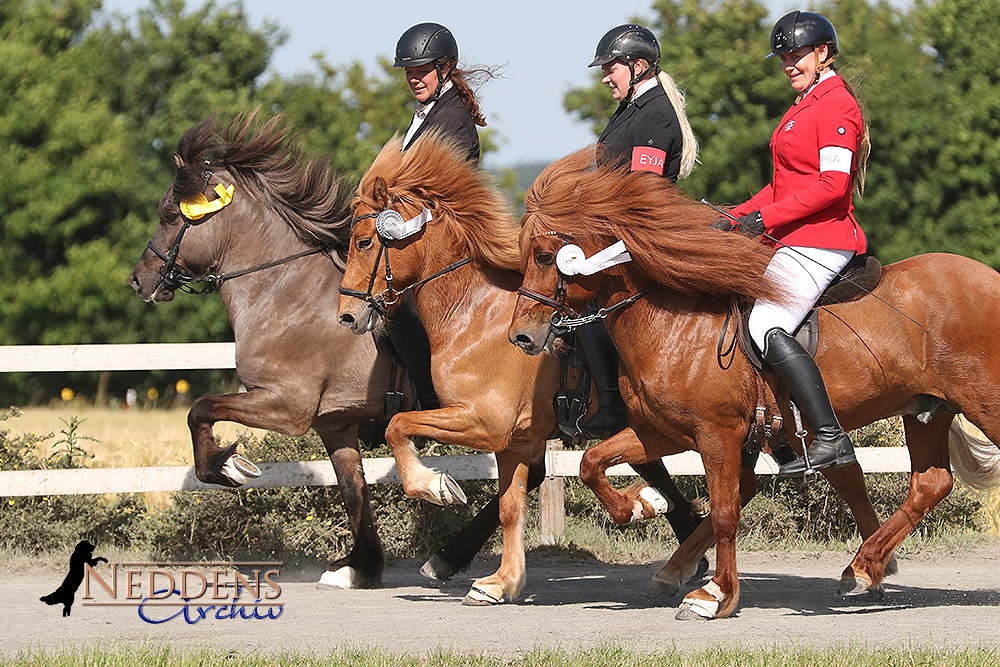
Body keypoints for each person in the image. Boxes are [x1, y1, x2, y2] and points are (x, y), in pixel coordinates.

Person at [720, 10, 870, 477]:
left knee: (766, 322)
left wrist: (765, 218)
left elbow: (831, 185)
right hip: (794, 235)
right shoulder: (801, 105)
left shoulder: (836, 105)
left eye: (797, 54)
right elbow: (783, 185)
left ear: (823, 53)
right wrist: (734, 215)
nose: (789, 63)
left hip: (823, 238)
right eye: (783, 56)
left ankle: (828, 436)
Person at [561, 24, 699, 440]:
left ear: (638, 66)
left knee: (578, 285)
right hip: (613, 229)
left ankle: (611, 402)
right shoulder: (632, 109)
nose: (605, 77)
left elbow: (644, 191)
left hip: (637, 237)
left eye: (610, 68)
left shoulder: (655, 114)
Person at [386, 23, 491, 411]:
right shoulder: (431, 112)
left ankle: (428, 395)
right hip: (421, 234)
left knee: (392, 304)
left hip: (446, 238)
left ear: (445, 68)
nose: (413, 78)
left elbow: (443, 199)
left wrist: (401, 226)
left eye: (422, 70)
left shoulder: (451, 119)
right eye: (408, 71)